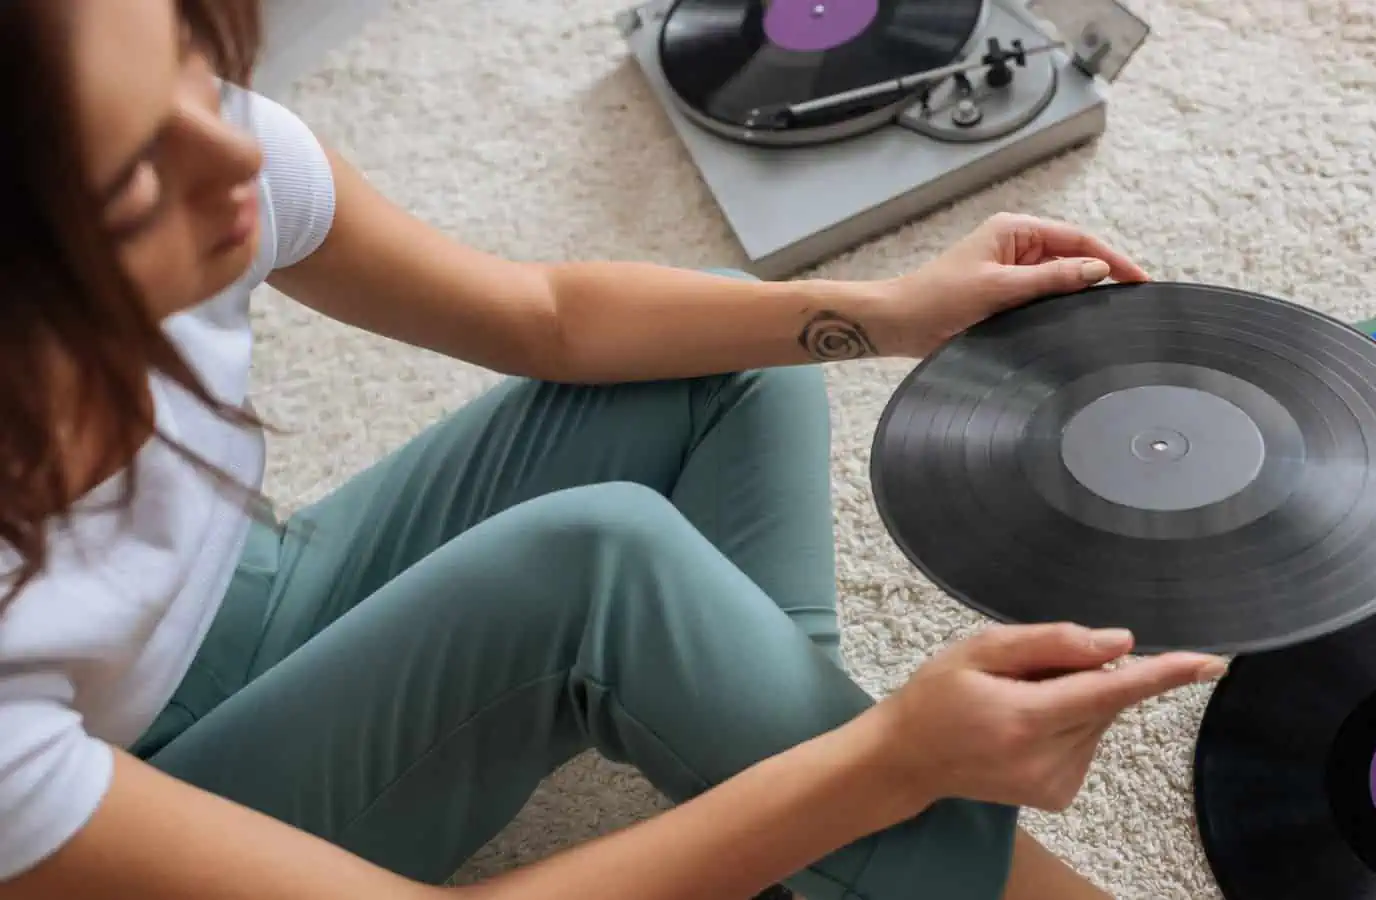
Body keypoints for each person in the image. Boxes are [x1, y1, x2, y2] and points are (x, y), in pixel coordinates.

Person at [0, 2, 1228, 899]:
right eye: (131, 177)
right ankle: (886, 831)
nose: (232, 153)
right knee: (599, 563)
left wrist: (892, 309)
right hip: (125, 803)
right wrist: (888, 766)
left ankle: (774, 764)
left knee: (734, 349)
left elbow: (544, 317)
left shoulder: (208, 156)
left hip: (225, 599)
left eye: (194, 64)